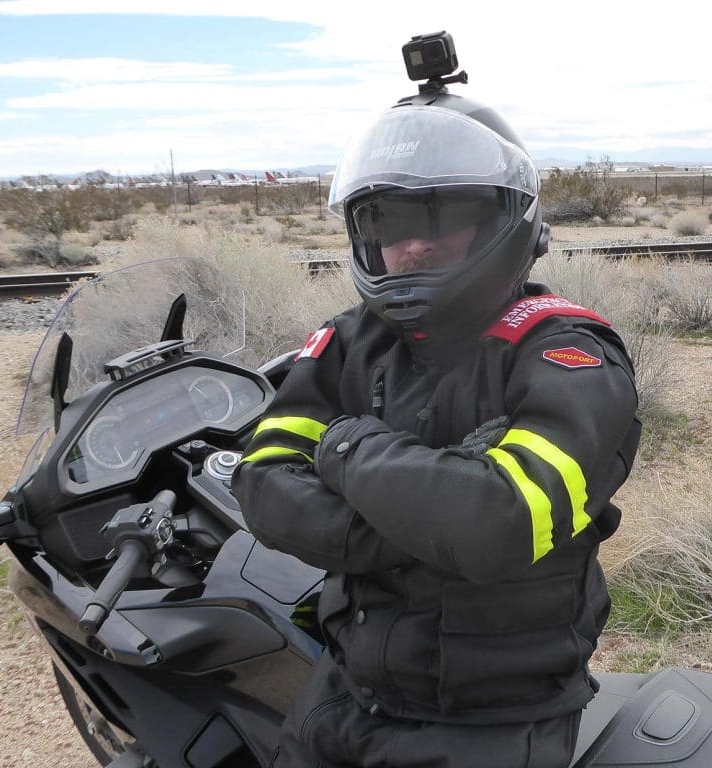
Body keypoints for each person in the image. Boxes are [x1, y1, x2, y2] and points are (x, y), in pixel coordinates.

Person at [232, 63, 641, 768]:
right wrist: (427, 515)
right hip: (344, 689)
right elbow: (262, 483)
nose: (413, 244)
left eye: (442, 215)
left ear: (501, 221)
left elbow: (498, 523)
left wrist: (343, 448)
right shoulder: (349, 340)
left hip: (491, 720)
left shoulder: (568, 353)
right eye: (388, 219)